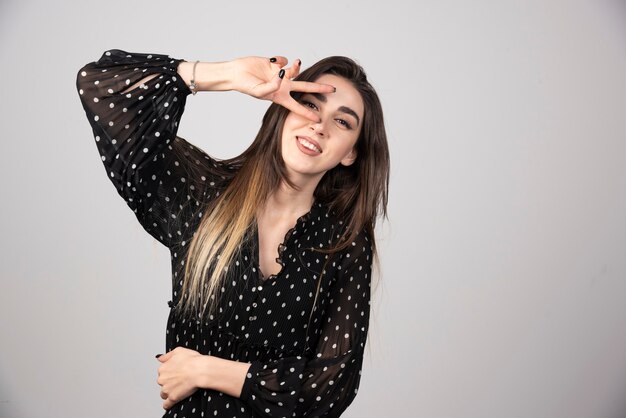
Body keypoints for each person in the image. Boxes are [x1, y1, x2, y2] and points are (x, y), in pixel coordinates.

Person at [76, 48, 389, 417]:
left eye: (343, 122)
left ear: (351, 152)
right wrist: (226, 75)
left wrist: (205, 369)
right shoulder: (204, 194)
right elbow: (101, 88)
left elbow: (330, 389)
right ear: (283, 109)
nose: (318, 124)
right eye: (310, 104)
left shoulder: (346, 244)